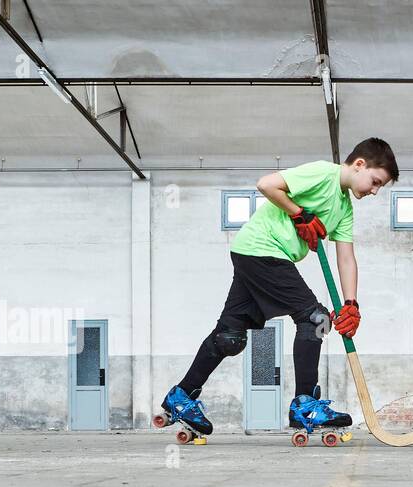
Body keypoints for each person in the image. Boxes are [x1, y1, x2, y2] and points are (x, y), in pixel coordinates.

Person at [158, 138, 399, 437]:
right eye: (375, 182)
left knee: (229, 337)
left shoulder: (344, 208)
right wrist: (299, 214)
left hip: (254, 253)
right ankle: (305, 404)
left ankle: (181, 396)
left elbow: (346, 257)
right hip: (264, 251)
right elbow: (267, 184)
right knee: (317, 318)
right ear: (360, 164)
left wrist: (351, 303)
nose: (374, 191)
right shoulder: (323, 173)